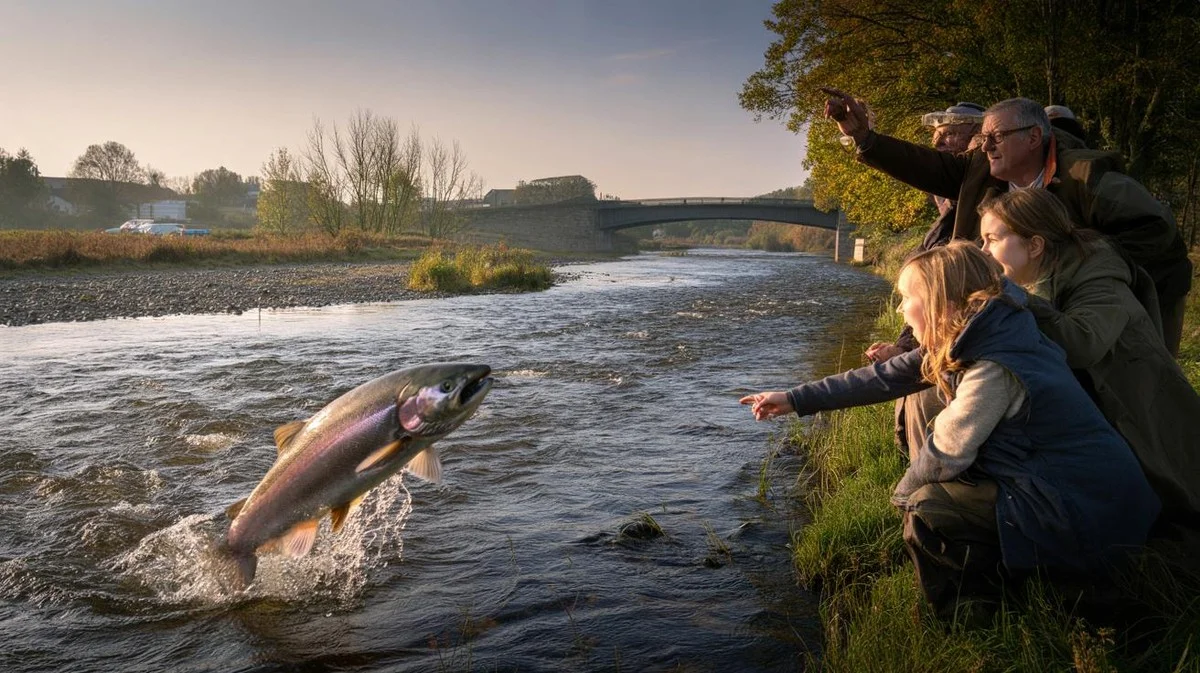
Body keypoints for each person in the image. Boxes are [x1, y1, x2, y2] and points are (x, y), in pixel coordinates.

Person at [741, 242, 1160, 618]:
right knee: (940, 489)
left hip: (1086, 512)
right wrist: (795, 398)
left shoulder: (993, 366)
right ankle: (1017, 574)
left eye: (909, 299)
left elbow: (946, 452)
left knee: (929, 509)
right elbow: (883, 377)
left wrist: (902, 501)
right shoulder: (990, 330)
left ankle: (977, 615)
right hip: (1076, 490)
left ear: (943, 303)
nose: (902, 310)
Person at [822, 89, 1192, 355]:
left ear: (1034, 138)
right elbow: (925, 164)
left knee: (1135, 393)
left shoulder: (1088, 178)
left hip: (1127, 297)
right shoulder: (982, 170)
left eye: (996, 137)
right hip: (1037, 299)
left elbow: (1158, 232)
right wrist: (864, 136)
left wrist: (1078, 259)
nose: (985, 146)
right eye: (983, 138)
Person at [979, 188, 1200, 530]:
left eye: (991, 239)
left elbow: (1082, 343)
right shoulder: (1037, 274)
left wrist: (1011, 294)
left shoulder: (1099, 272)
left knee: (1167, 518)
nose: (983, 252)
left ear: (1035, 246)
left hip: (1136, 415)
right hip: (1096, 412)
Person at [864, 102, 984, 462]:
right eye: (935, 137)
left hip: (957, 362)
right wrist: (903, 346)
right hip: (934, 355)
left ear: (976, 142)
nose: (938, 145)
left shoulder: (984, 208)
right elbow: (927, 296)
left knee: (938, 461)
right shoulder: (947, 211)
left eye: (948, 135)